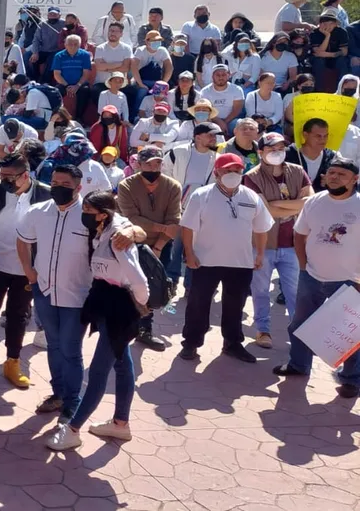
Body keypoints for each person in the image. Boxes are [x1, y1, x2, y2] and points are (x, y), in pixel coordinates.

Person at [46, 190, 149, 450]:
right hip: (104, 299)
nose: (84, 216)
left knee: (99, 370)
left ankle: (72, 429)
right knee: (122, 362)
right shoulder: (102, 229)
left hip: (120, 307)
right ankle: (120, 424)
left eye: (88, 212)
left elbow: (138, 279)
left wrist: (141, 304)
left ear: (103, 214)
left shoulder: (117, 237)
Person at [274, 158, 360, 393]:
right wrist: (303, 265)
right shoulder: (314, 202)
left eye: (341, 174)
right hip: (311, 276)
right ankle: (299, 365)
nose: (334, 177)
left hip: (349, 282)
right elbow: (299, 235)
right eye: (331, 172)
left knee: (349, 333)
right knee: (300, 324)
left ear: (355, 179)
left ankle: (352, 379)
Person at [179, 153, 274, 363]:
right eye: (227, 170)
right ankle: (191, 343)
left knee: (235, 305)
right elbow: (187, 227)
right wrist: (189, 253)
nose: (232, 174)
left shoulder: (251, 197)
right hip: (205, 261)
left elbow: (261, 229)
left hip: (240, 263)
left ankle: (232, 343)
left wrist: (259, 253)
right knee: (198, 304)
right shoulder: (201, 195)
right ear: (216, 173)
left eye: (237, 170)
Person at [0, 153, 49, 389]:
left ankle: (12, 362)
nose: (2, 180)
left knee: (18, 317)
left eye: (9, 177)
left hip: (26, 269)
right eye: (1, 175)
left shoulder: (45, 195)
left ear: (25, 175)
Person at [241, 132, 311, 349]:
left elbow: (309, 203)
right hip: (263, 245)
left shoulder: (297, 171)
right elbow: (264, 212)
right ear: (260, 152)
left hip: (292, 244)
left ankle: (300, 334)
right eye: (271, 148)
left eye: (280, 148)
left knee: (295, 293)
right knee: (260, 291)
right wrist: (294, 204)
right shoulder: (251, 177)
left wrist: (277, 204)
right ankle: (263, 331)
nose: (277, 152)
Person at [115, 146, 181, 351]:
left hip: (163, 241)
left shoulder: (172, 186)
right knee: (129, 283)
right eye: (149, 164)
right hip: (132, 239)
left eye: (158, 163)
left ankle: (145, 329)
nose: (154, 167)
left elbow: (174, 220)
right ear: (139, 165)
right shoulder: (126, 185)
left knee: (155, 285)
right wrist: (162, 228)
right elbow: (131, 218)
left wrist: (159, 246)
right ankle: (126, 323)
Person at [286, 118, 337, 192]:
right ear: (305, 135)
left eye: (325, 136)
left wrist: (331, 182)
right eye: (318, 136)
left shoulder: (332, 157)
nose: (323, 140)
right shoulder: (288, 154)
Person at [51, 34, 95, 120]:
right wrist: (67, 85)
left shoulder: (85, 55)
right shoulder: (59, 56)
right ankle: (57, 118)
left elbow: (86, 73)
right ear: (65, 45)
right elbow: (57, 74)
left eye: (75, 44)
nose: (73, 47)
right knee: (55, 93)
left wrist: (77, 85)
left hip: (80, 84)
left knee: (85, 91)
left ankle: (78, 118)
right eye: (70, 44)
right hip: (63, 83)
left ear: (79, 45)